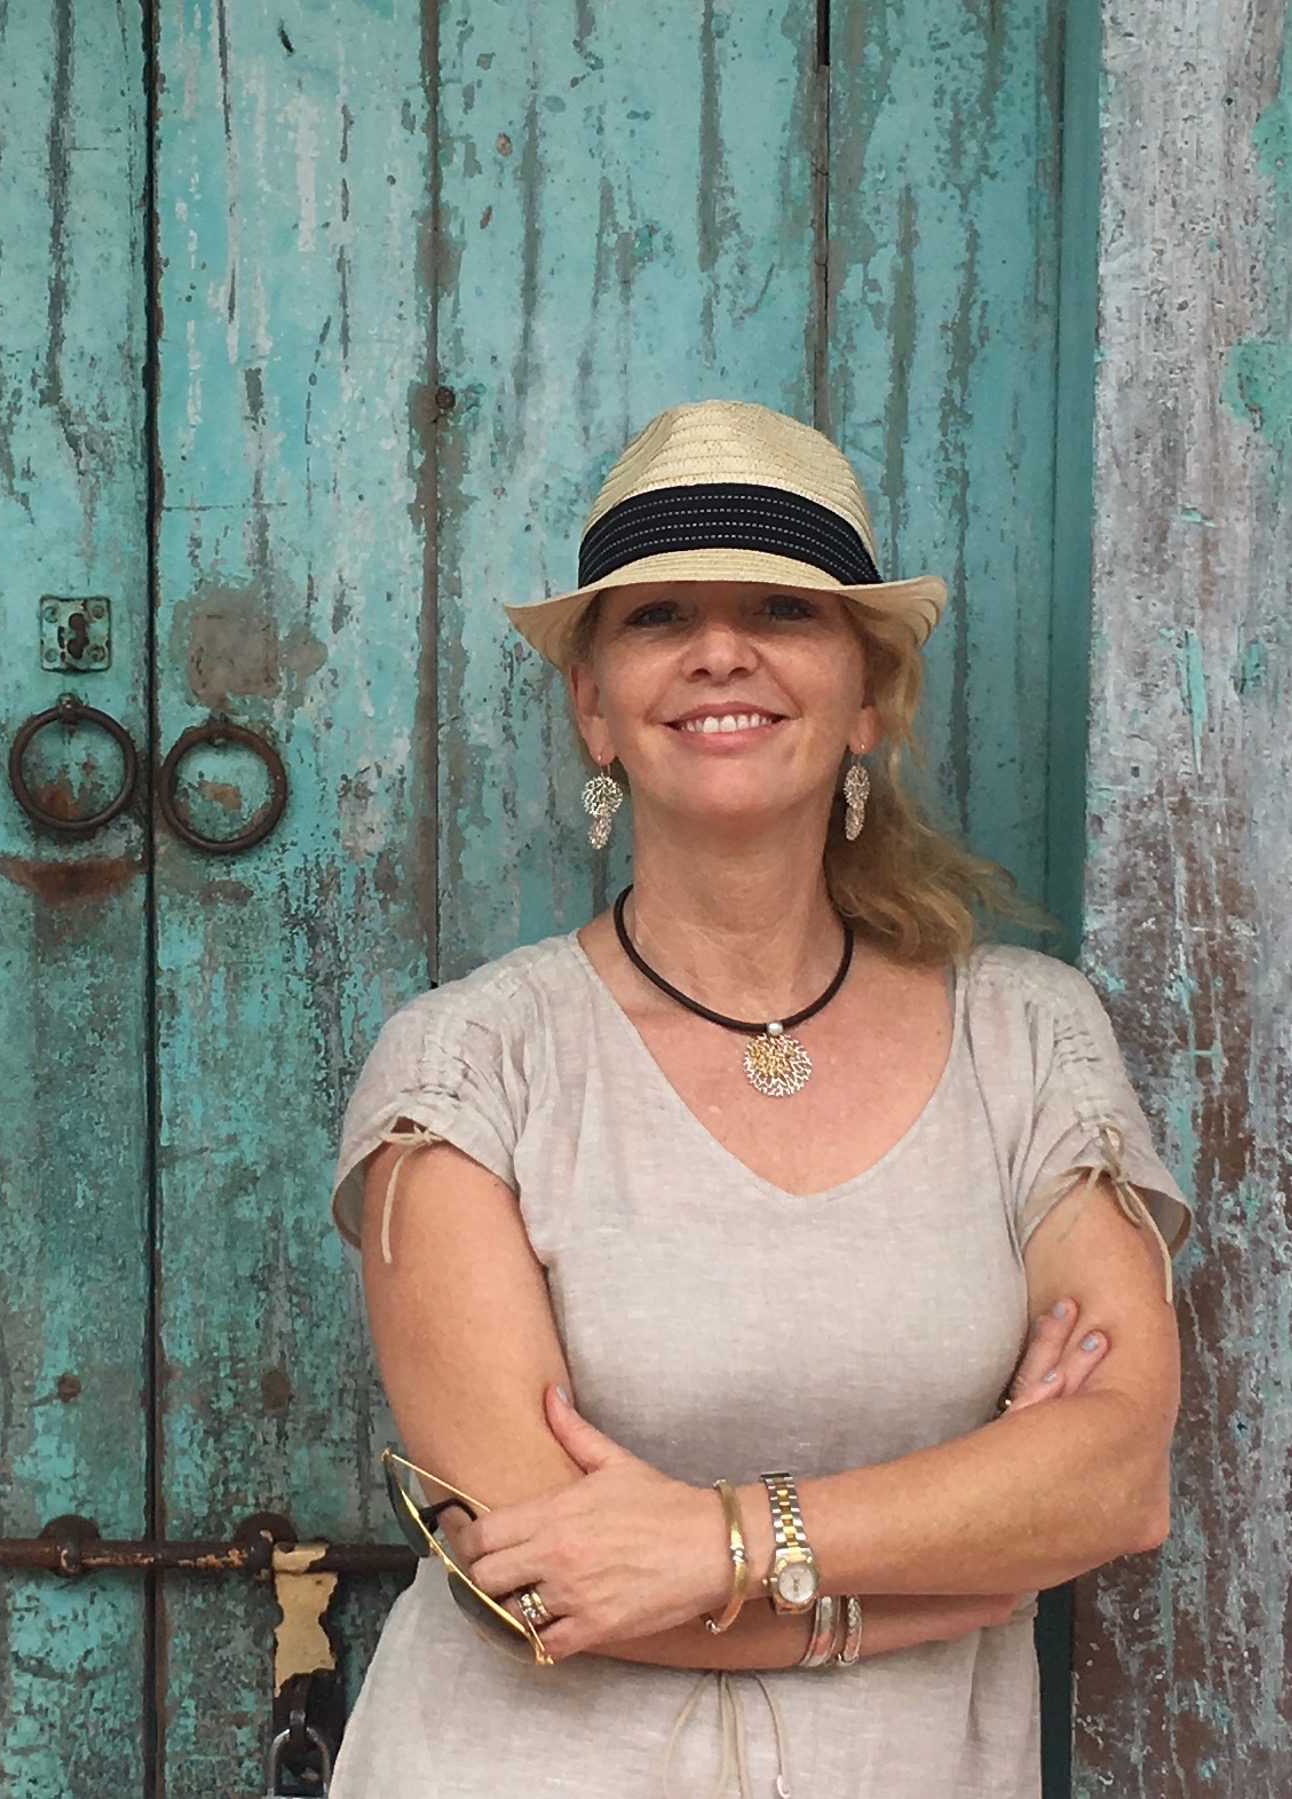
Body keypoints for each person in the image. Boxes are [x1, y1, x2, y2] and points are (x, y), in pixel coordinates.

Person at [325, 399, 1192, 1797]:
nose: (720, 650)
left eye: (783, 608)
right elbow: (533, 1576)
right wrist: (944, 1576)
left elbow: (1114, 1478)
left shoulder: (1027, 1040)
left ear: (870, 696)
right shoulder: (471, 1067)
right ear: (593, 707)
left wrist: (716, 1540)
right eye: (660, 615)